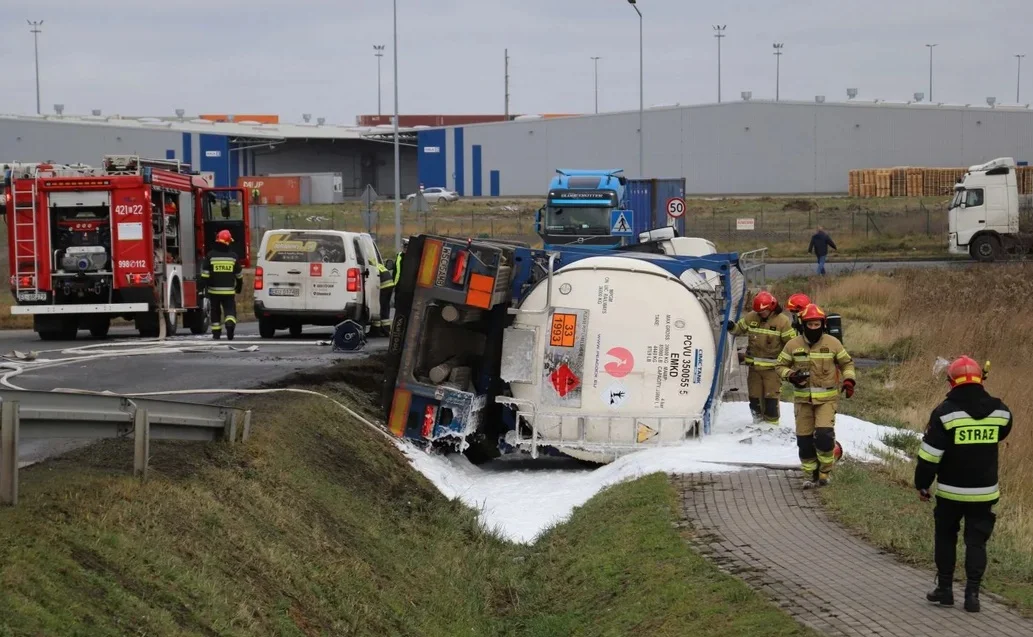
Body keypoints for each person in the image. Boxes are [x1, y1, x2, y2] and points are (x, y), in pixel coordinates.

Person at [916, 356, 1011, 613]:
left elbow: (929, 456)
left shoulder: (945, 413)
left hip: (950, 493)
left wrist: (922, 484)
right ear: (981, 380)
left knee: (946, 537)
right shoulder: (1001, 411)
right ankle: (972, 596)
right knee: (976, 543)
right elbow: (1002, 433)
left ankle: (945, 590)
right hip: (984, 493)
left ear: (951, 382)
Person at [775, 303, 855, 488]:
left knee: (824, 436)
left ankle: (825, 472)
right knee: (804, 441)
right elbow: (779, 366)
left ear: (823, 324)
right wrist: (791, 376)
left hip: (826, 400)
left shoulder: (833, 344)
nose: (813, 328)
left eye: (816, 325)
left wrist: (849, 380)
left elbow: (847, 363)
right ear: (803, 325)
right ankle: (809, 475)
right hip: (803, 401)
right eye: (809, 325)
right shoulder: (793, 345)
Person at [727, 291, 797, 425]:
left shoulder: (782, 322)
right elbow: (739, 329)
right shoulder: (751, 317)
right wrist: (731, 327)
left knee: (771, 400)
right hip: (754, 369)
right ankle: (757, 425)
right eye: (758, 312)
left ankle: (772, 427)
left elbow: (791, 344)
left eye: (763, 312)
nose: (761, 314)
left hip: (772, 370)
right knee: (754, 399)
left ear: (771, 308)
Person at [200, 229, 243, 340]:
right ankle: (229, 324)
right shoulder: (233, 257)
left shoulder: (210, 256)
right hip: (229, 291)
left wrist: (201, 289)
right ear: (229, 242)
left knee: (215, 312)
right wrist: (238, 288)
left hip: (213, 291)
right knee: (230, 309)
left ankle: (216, 333)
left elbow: (205, 275)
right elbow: (239, 276)